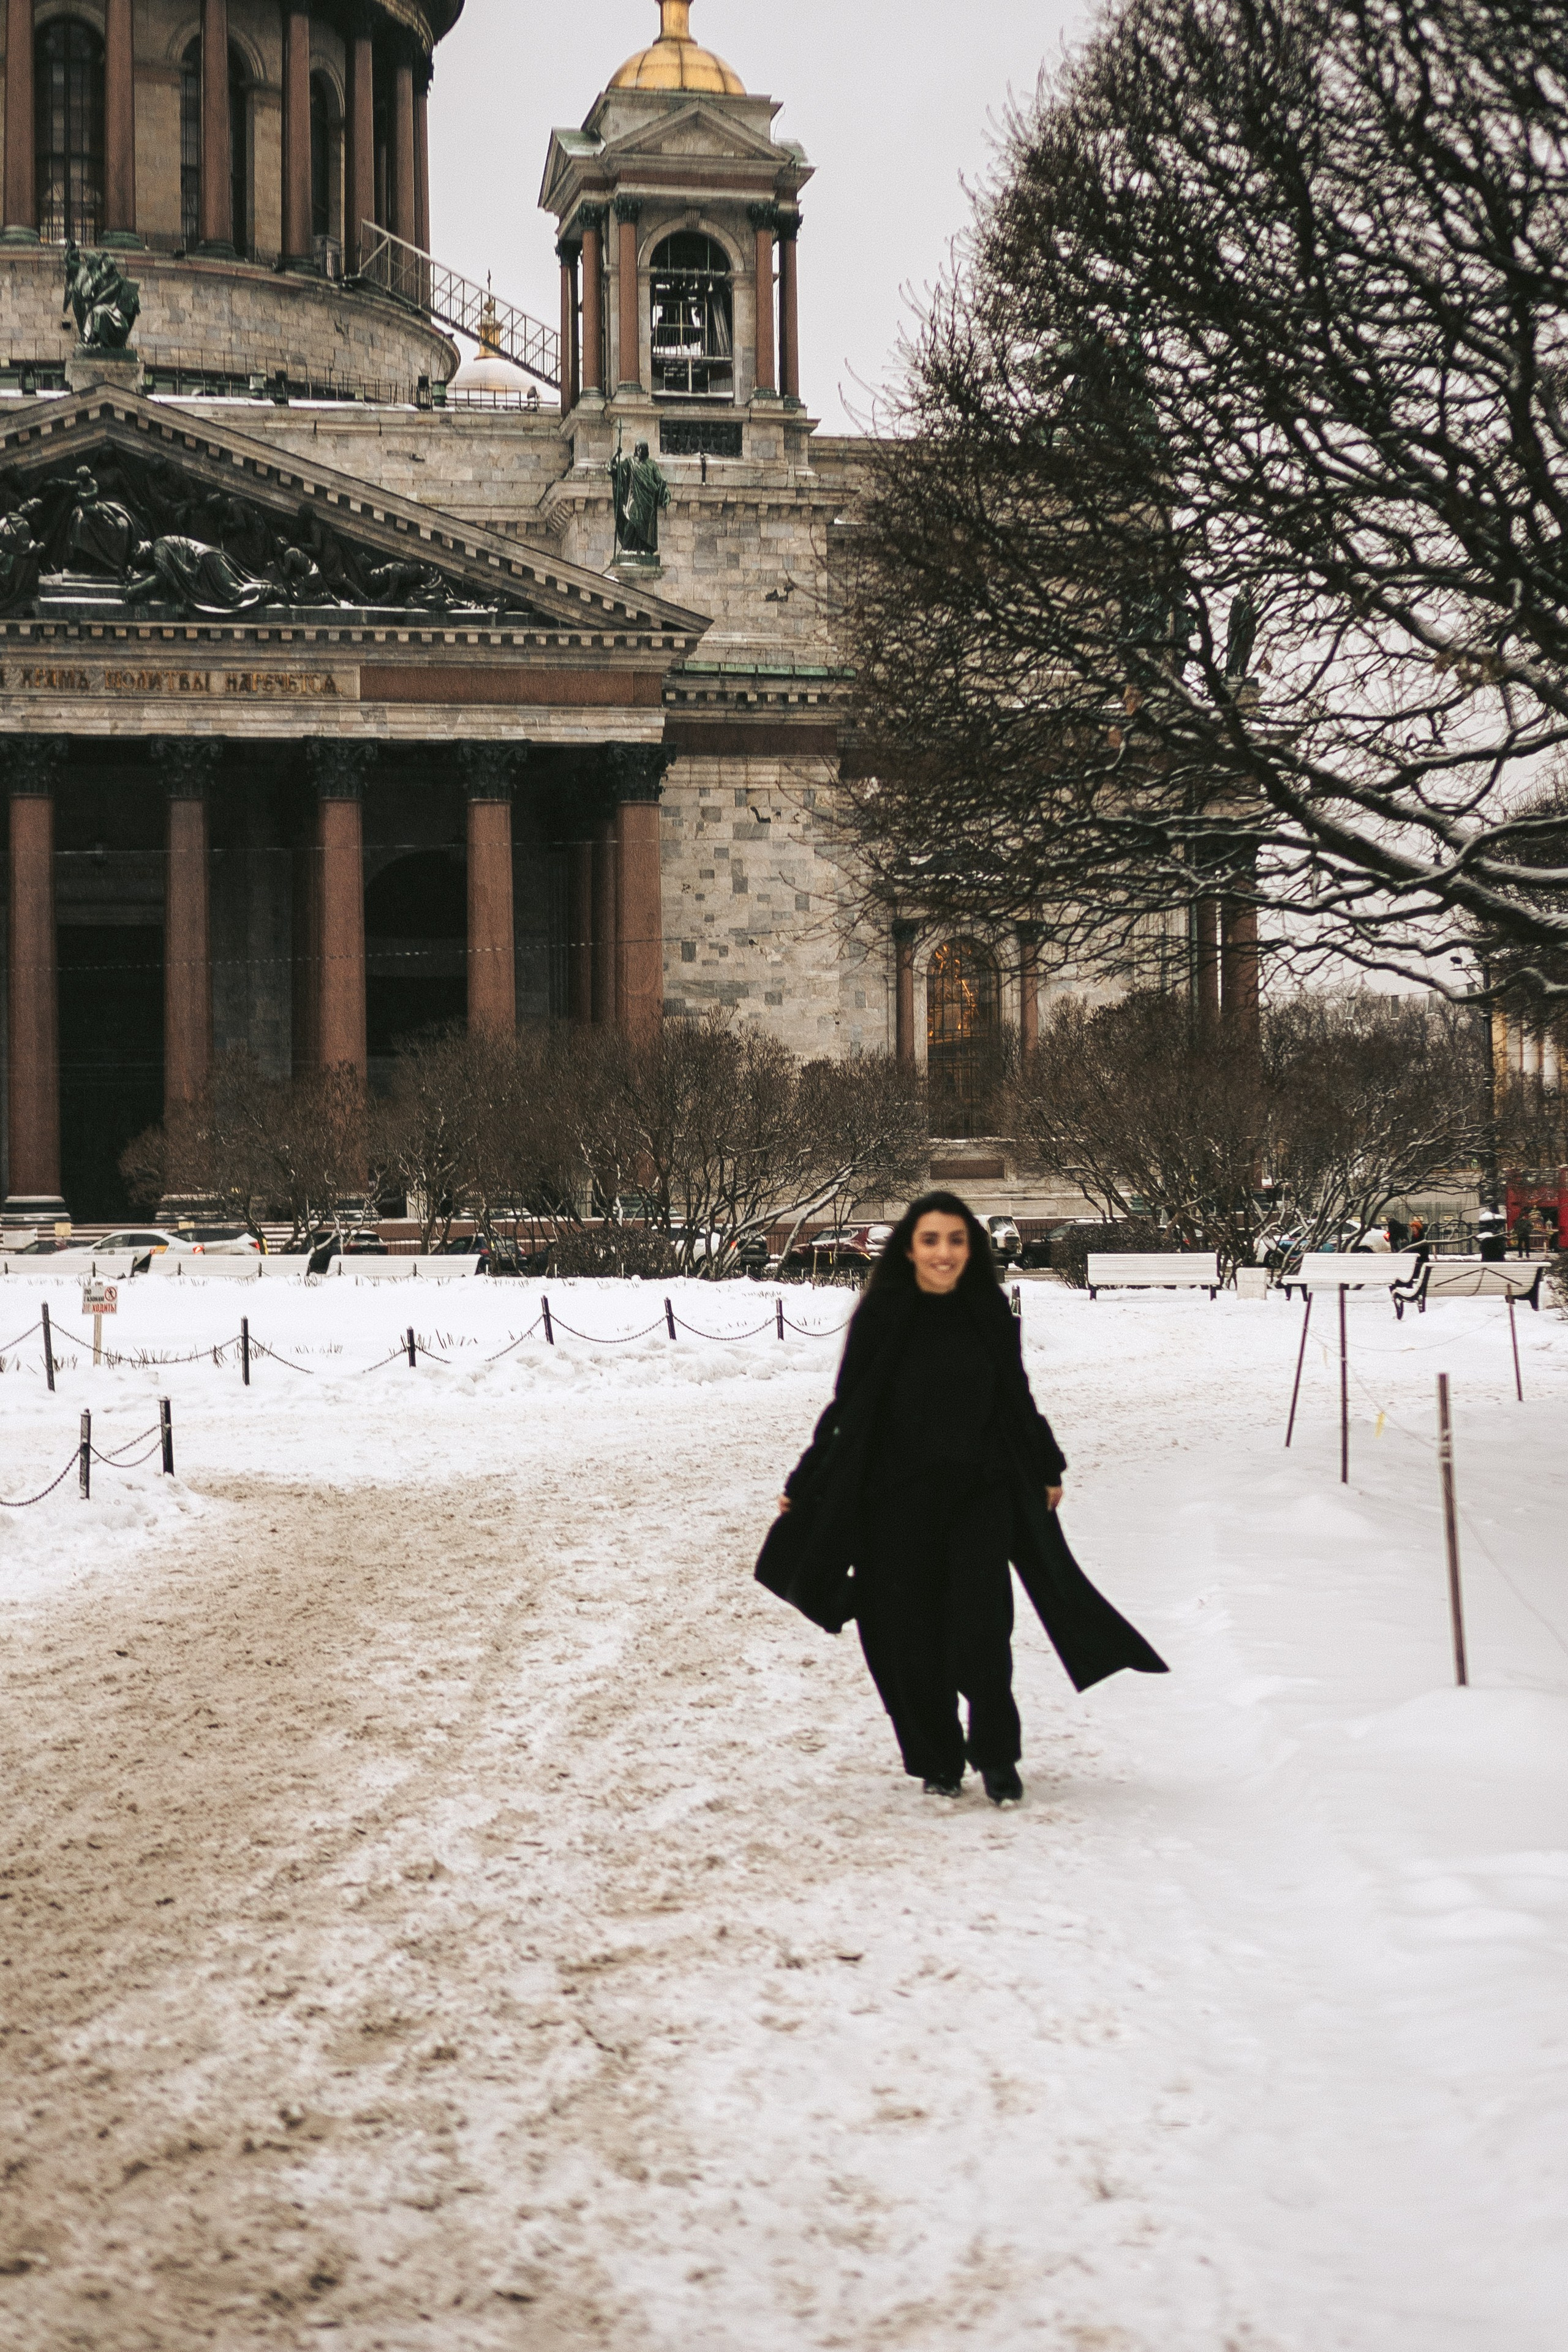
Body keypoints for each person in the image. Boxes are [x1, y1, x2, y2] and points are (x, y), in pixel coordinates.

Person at [756, 1192, 1167, 1806]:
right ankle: (938, 1760)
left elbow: (1013, 1397)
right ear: (910, 1249)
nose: (944, 1253)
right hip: (892, 1504)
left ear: (969, 1250)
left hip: (979, 1497)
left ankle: (997, 1757)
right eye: (930, 1240)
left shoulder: (986, 1310)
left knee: (981, 1635)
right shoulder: (883, 1314)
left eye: (955, 1240)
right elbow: (849, 1407)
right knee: (906, 1639)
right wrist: (805, 1481)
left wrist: (1046, 1463)